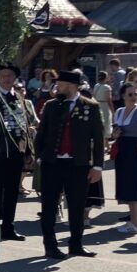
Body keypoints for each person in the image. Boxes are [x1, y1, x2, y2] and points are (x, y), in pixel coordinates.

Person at [33, 69, 105, 259]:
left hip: (78, 164)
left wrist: (97, 166)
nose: (57, 87)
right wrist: (40, 157)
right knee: (49, 206)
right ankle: (50, 246)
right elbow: (41, 134)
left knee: (77, 205)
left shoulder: (90, 106)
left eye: (61, 84)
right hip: (52, 163)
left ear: (72, 86)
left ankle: (76, 244)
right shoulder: (51, 105)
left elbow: (98, 139)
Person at [0, 63, 34, 241]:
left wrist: (28, 151)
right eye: (3, 75)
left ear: (15, 78)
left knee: (12, 191)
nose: (6, 78)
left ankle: (8, 227)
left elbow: (25, 125)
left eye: (10, 75)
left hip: (16, 151)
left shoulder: (19, 97)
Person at [111, 83, 137, 234]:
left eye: (135, 94)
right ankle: (133, 221)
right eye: (130, 94)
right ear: (123, 96)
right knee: (128, 185)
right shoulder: (119, 112)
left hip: (135, 151)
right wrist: (115, 135)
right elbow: (114, 133)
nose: (133, 97)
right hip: (123, 150)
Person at [93, 71, 113, 142]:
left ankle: (104, 143)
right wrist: (112, 110)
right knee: (106, 124)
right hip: (104, 106)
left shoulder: (96, 85)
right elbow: (108, 100)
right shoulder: (107, 87)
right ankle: (105, 142)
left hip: (97, 105)